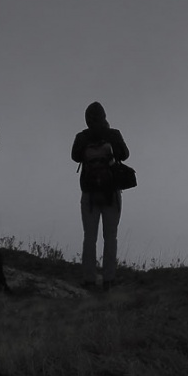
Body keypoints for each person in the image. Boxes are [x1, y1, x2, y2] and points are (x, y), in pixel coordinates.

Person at [71, 101, 130, 288]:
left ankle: (89, 278)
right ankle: (109, 279)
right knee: (110, 236)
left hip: (89, 194)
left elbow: (74, 156)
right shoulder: (114, 135)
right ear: (104, 116)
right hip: (111, 193)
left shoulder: (82, 137)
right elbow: (125, 154)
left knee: (89, 236)